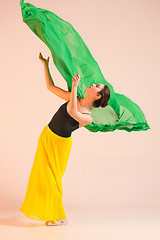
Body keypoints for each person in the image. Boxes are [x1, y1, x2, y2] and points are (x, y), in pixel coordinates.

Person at [19, 52, 110, 226]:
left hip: (60, 145)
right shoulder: (73, 98)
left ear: (98, 96)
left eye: (96, 86)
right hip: (47, 135)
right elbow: (50, 87)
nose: (92, 84)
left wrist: (75, 87)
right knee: (41, 175)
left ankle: (58, 215)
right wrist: (45, 65)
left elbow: (73, 112)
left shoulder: (88, 116)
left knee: (51, 178)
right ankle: (53, 213)